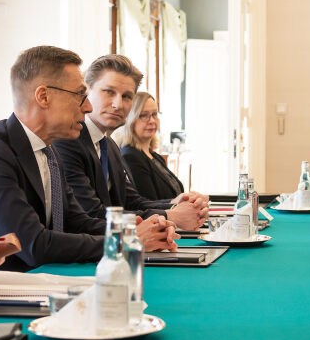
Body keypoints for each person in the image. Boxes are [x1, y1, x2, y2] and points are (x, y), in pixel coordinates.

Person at [0, 46, 177, 271]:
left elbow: (75, 221)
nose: (87, 107)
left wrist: (138, 230)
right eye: (80, 95)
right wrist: (125, 242)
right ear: (43, 96)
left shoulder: (47, 149)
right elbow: (32, 244)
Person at [53, 54, 207, 230]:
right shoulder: (67, 141)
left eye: (126, 96)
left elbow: (131, 201)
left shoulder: (109, 146)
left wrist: (175, 204)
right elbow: (91, 213)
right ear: (86, 91)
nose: (118, 104)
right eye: (109, 92)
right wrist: (171, 215)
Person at [120, 92, 185, 201]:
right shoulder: (130, 156)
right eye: (143, 115)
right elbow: (147, 203)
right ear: (130, 119)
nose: (152, 121)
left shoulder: (156, 157)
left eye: (154, 114)